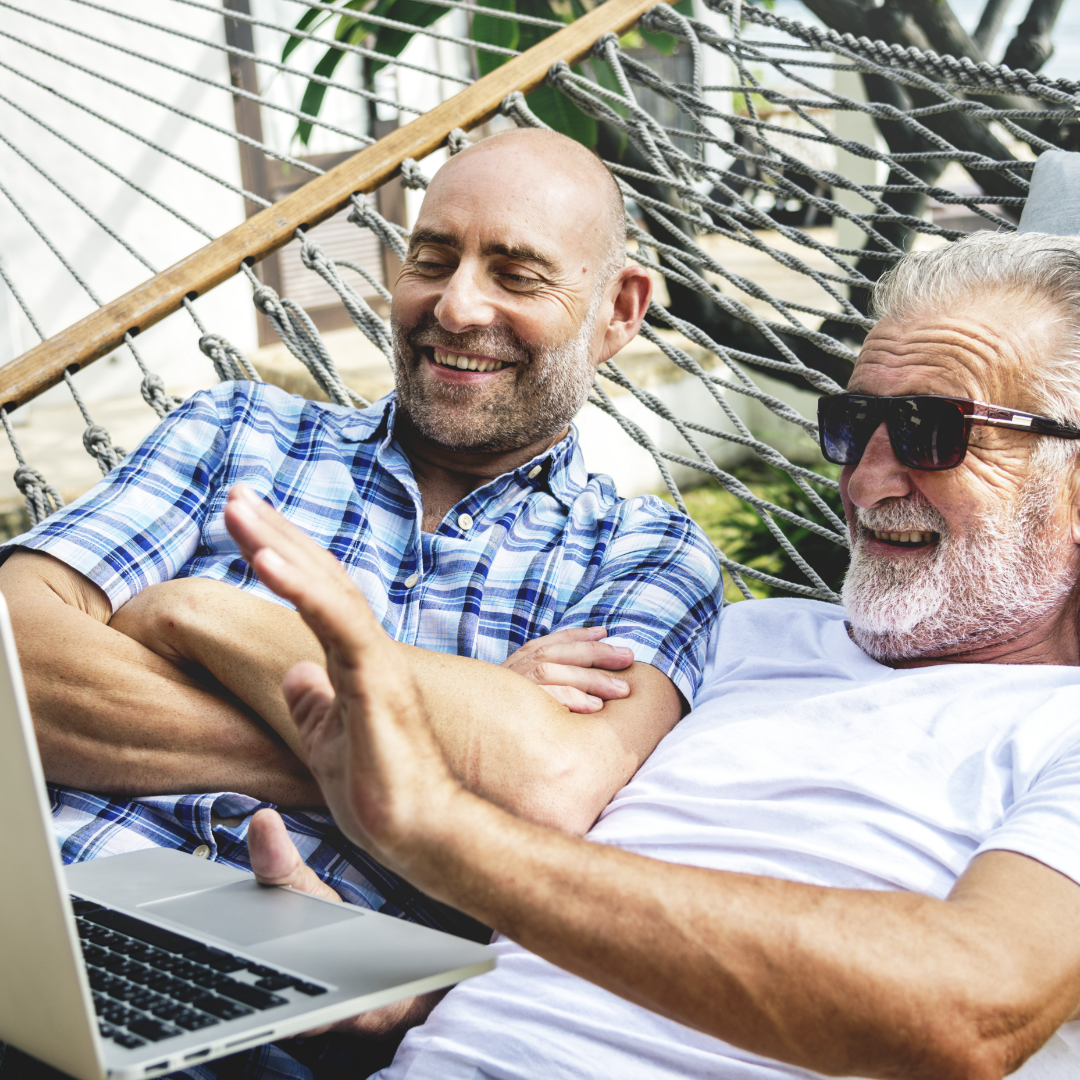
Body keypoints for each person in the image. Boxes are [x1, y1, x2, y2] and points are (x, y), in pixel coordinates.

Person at [235, 229, 1080, 1080]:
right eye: (856, 424)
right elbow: (577, 911)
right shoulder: (742, 639)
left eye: (933, 431)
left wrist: (448, 837)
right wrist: (398, 999)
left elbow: (972, 1007)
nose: (865, 479)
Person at [0, 129, 720, 1074]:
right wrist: (423, 755)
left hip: (300, 983)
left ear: (618, 311)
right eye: (431, 259)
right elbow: (15, 653)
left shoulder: (646, 555)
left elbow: (547, 791)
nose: (456, 306)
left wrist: (206, 618)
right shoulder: (237, 430)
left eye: (517, 273)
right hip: (30, 892)